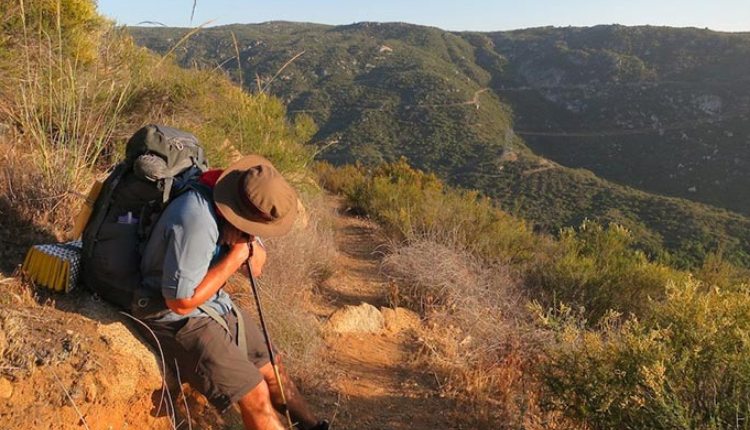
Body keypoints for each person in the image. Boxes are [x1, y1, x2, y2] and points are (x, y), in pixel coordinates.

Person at [138, 154, 328, 430]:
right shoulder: (196, 219)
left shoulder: (239, 201)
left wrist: (246, 239)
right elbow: (179, 302)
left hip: (212, 302)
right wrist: (236, 256)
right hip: (169, 313)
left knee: (273, 368)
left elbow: (258, 264)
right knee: (256, 393)